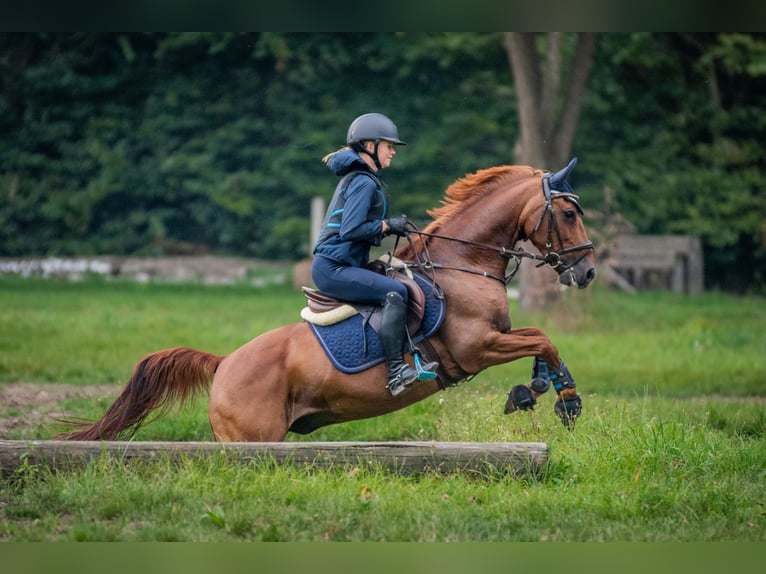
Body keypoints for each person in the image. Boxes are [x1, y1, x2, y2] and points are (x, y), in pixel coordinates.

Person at [311, 112, 437, 397]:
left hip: (341, 265)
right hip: (333, 269)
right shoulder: (364, 182)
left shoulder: (363, 179)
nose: (393, 151)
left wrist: (389, 226)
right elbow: (351, 230)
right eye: (388, 145)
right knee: (394, 293)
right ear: (370, 145)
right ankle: (395, 373)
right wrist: (387, 225)